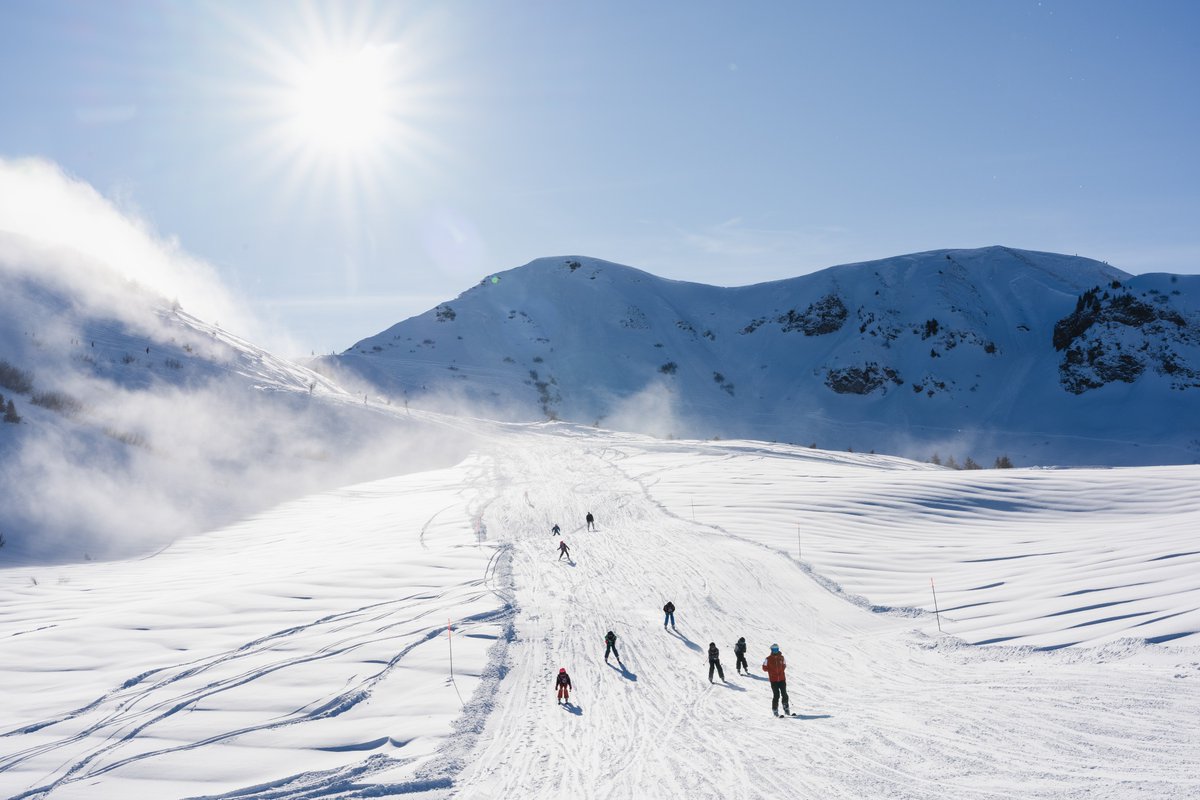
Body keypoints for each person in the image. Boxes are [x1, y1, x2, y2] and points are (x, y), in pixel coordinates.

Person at [762, 643, 790, 716]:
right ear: (771, 650)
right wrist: (770, 671)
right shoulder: (768, 659)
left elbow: (784, 665)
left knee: (784, 694)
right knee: (776, 695)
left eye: (776, 649)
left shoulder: (782, 657)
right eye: (774, 650)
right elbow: (764, 668)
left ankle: (786, 708)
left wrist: (780, 672)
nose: (775, 651)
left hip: (782, 679)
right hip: (773, 680)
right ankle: (775, 710)